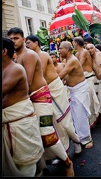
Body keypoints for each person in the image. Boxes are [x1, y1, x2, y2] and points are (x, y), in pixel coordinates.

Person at [7, 27, 75, 177]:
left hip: (41, 98)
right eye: (10, 38)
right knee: (34, 135)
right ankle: (42, 168)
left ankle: (67, 162)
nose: (13, 41)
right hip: (29, 99)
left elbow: (28, 82)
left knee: (46, 133)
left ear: (23, 39)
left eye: (16, 38)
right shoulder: (16, 57)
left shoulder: (29, 55)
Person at [25, 35, 81, 155]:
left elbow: (39, 75)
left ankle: (77, 141)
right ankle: (63, 151)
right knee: (54, 124)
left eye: (29, 43)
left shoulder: (43, 55)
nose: (27, 45)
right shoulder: (29, 58)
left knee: (64, 120)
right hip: (42, 92)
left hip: (54, 89)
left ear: (36, 43)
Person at [2, 37, 44, 177]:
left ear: (4, 51)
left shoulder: (15, 69)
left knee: (26, 165)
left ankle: (66, 161)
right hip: (11, 123)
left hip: (20, 123)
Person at [58, 41, 93, 149]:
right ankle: (80, 137)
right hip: (73, 91)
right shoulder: (67, 60)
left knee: (80, 115)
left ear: (67, 49)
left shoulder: (72, 60)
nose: (58, 51)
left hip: (79, 90)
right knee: (75, 116)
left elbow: (61, 75)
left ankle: (87, 139)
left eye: (60, 49)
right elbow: (67, 76)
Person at [73, 37, 100, 128]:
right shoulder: (77, 53)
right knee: (86, 101)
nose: (73, 44)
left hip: (88, 78)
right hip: (83, 79)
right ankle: (88, 120)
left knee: (90, 100)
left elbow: (78, 66)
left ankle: (93, 119)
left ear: (76, 43)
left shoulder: (84, 52)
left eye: (73, 43)